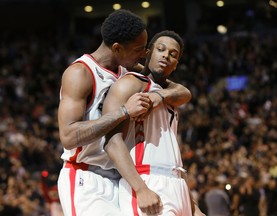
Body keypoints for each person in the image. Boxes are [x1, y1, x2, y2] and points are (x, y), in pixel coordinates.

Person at [57, 10, 191, 216]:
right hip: (85, 176)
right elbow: (68, 136)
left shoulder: (128, 69)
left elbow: (180, 90)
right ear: (117, 48)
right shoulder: (80, 73)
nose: (144, 54)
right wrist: (123, 112)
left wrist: (161, 96)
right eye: (139, 49)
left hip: (121, 178)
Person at [103, 30, 205, 215]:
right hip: (147, 180)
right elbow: (111, 141)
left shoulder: (169, 96)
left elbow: (174, 156)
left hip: (177, 184)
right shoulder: (131, 83)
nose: (166, 55)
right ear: (148, 53)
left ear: (175, 65)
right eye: (161, 49)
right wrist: (140, 189)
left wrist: (193, 205)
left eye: (173, 54)